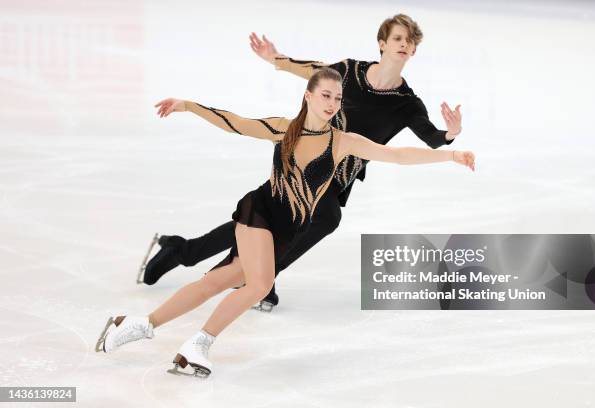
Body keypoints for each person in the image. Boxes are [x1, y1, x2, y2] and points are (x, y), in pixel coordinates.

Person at [97, 68, 475, 378]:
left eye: (338, 98)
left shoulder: (343, 142)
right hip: (259, 214)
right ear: (308, 96)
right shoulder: (284, 128)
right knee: (259, 283)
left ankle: (134, 325)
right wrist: (188, 106)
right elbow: (235, 122)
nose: (332, 103)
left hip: (285, 230)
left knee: (215, 282)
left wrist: (450, 155)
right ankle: (197, 345)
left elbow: (397, 155)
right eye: (325, 95)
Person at [138, 14, 464, 313]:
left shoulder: (407, 104)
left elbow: (433, 138)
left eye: (410, 41)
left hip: (338, 177)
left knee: (274, 220)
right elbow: (315, 72)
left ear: (414, 52)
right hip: (303, 159)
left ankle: (186, 252)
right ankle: (245, 271)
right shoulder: (349, 71)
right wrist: (276, 59)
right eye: (397, 38)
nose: (404, 45)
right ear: (382, 43)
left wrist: (451, 132)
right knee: (298, 217)